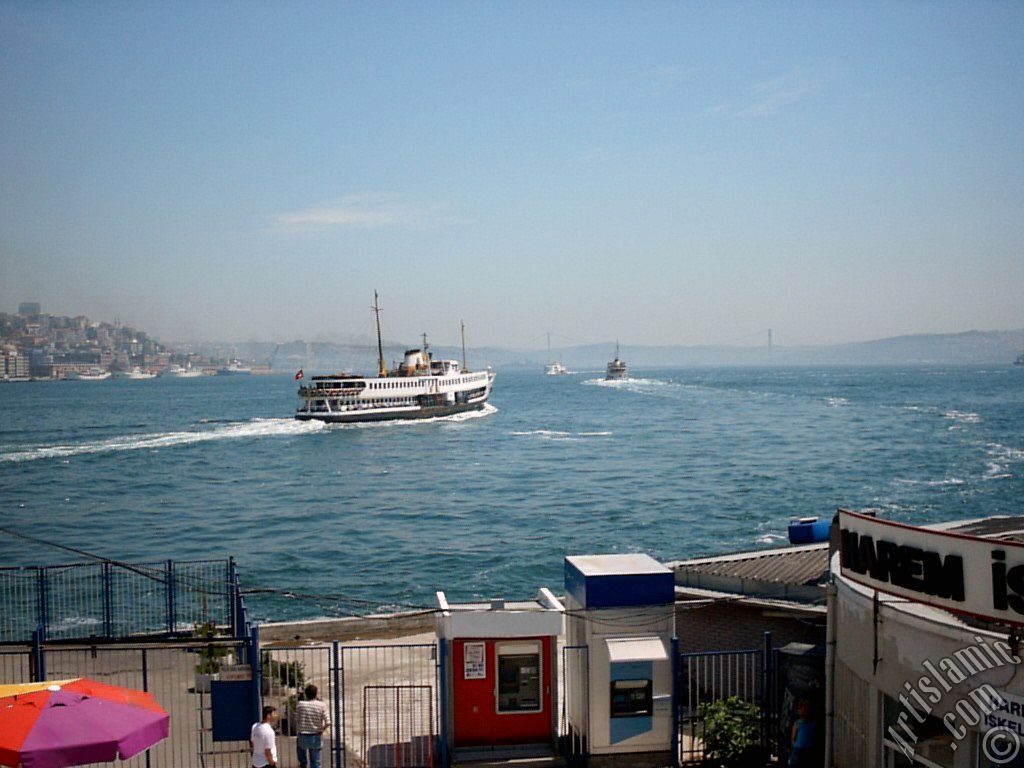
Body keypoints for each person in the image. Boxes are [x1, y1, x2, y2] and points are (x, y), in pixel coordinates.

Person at [296, 684, 331, 768]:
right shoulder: (321, 705)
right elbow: (328, 722)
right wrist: (321, 730)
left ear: (305, 694)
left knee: (302, 759)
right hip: (315, 736)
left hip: (303, 735)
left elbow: (297, 719)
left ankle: (303, 765)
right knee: (316, 762)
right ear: (316, 693)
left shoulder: (300, 705)